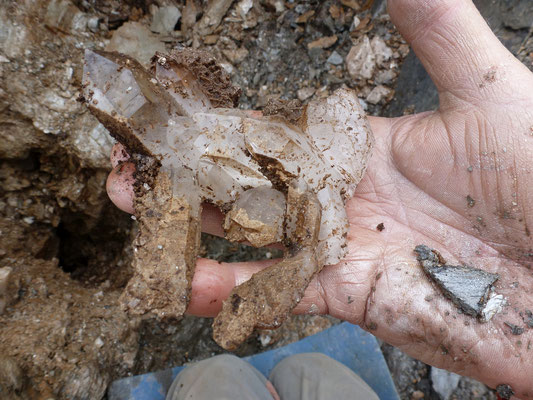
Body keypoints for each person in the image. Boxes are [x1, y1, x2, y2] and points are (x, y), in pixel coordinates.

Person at [107, 0, 533, 398]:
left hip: (309, 196)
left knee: (215, 379)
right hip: (286, 193)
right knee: (298, 370)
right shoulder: (183, 166)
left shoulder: (313, 188)